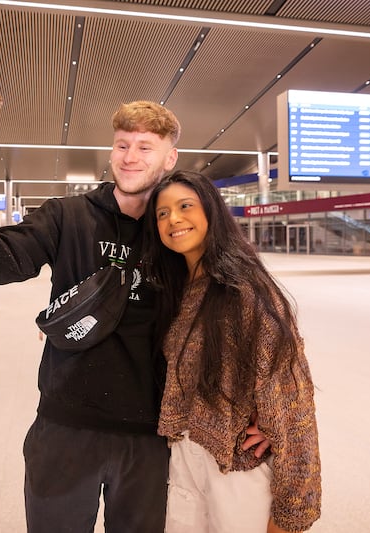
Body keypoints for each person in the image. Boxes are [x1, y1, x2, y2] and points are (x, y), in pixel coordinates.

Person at [0, 101, 266, 532]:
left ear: (169, 158)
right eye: (122, 144)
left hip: (151, 437)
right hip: (64, 427)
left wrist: (264, 413)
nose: (130, 156)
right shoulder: (68, 216)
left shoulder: (176, 231)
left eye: (144, 146)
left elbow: (237, 323)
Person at [142, 170, 322, 533]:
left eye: (185, 206)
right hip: (184, 461)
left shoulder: (246, 292)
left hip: (237, 471)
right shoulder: (176, 290)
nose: (173, 218)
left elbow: (292, 403)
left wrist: (292, 512)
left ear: (211, 211)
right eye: (162, 213)